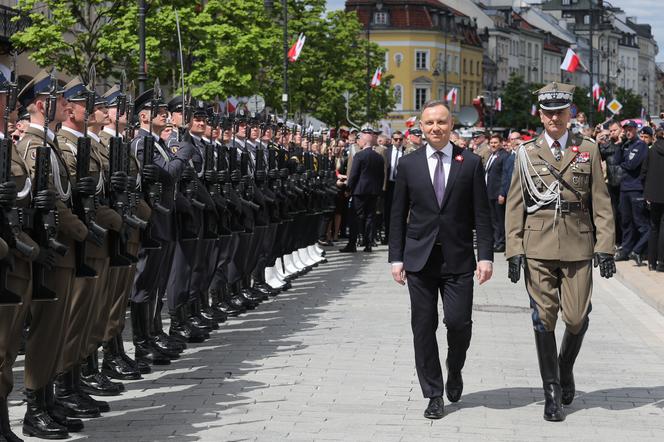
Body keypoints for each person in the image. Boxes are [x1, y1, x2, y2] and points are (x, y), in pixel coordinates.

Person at [505, 82, 615, 422]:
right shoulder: (526, 152)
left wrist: (606, 247)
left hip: (578, 243)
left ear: (570, 114)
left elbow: (601, 201)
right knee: (544, 319)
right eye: (548, 112)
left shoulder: (589, 149)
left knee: (577, 317)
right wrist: (513, 249)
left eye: (560, 112)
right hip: (537, 245)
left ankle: (564, 367)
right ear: (540, 114)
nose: (554, 118)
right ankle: (551, 391)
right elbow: (514, 204)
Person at [388, 100, 493, 419]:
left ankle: (455, 368)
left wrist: (485, 256)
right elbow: (396, 214)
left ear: (452, 126)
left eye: (442, 123)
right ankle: (433, 393)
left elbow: (482, 215)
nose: (435, 128)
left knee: (458, 323)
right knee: (423, 325)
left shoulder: (471, 163)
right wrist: (396, 257)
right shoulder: (409, 164)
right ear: (421, 127)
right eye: (429, 123)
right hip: (419, 259)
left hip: (458, 258)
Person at [341, 124, 384, 253]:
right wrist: (378, 190)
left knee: (355, 217)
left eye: (359, 139)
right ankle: (368, 244)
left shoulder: (359, 156)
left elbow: (353, 175)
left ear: (364, 141)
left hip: (359, 191)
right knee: (370, 217)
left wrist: (348, 189)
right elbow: (382, 176)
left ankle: (352, 244)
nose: (358, 141)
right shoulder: (379, 157)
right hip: (373, 192)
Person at [614, 120, 649, 265]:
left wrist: (623, 163)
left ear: (636, 130)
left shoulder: (641, 145)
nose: (628, 132)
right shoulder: (625, 145)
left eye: (630, 129)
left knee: (640, 223)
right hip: (625, 188)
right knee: (626, 221)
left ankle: (639, 250)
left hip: (636, 189)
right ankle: (626, 251)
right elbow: (616, 161)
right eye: (626, 130)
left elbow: (631, 165)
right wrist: (620, 145)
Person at [641, 136, 664, 271]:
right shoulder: (652, 149)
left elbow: (643, 172)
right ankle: (661, 262)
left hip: (653, 194)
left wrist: (647, 191)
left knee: (654, 227)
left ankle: (651, 261)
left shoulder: (652, 149)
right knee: (661, 226)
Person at [600, 120, 624, 246]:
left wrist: (620, 142)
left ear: (621, 130)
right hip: (612, 183)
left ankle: (626, 242)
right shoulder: (609, 144)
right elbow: (601, 153)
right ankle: (617, 241)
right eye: (611, 131)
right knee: (613, 214)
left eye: (615, 130)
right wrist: (598, 139)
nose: (612, 133)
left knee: (624, 215)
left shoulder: (626, 143)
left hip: (625, 184)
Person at [485, 133, 509, 252]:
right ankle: (496, 241)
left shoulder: (504, 156)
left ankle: (501, 242)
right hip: (490, 192)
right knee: (493, 219)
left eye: (495, 142)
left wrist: (502, 193)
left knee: (500, 220)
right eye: (491, 143)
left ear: (500, 143)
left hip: (498, 193)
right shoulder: (492, 155)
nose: (493, 145)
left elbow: (505, 176)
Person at [384, 130, 404, 243]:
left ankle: (398, 237)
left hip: (401, 185)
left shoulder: (406, 152)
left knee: (399, 211)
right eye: (396, 139)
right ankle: (387, 235)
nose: (398, 141)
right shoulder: (387, 151)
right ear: (392, 140)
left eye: (400, 139)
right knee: (387, 212)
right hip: (389, 185)